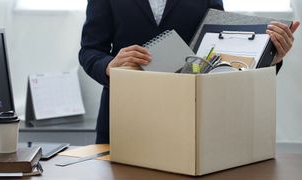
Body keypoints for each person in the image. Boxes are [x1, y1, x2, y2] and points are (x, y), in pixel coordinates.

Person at [79, 0, 300, 144]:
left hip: (188, 120)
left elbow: (220, 51)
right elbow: (90, 50)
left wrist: (271, 56)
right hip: (123, 117)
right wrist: (109, 66)